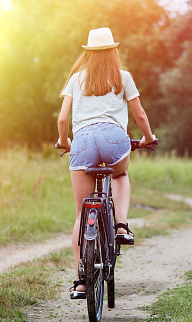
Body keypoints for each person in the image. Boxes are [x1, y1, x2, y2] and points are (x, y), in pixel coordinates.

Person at [57, 27, 156, 299]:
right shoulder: (123, 77)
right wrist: (148, 138)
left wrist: (65, 142)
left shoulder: (76, 79)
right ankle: (121, 225)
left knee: (80, 212)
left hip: (83, 142)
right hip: (114, 139)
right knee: (120, 176)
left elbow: (63, 119)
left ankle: (80, 279)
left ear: (88, 53)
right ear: (114, 50)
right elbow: (140, 115)